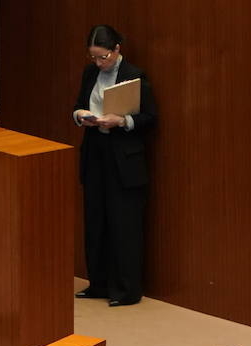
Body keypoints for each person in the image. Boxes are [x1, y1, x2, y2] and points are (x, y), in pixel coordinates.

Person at [72, 24, 157, 308]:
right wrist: (81, 114)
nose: (99, 63)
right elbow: (79, 105)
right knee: (96, 220)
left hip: (122, 155)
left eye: (103, 57)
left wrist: (121, 121)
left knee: (124, 224)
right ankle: (98, 283)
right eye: (94, 57)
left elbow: (149, 117)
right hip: (95, 150)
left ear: (117, 49)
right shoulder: (89, 74)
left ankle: (126, 289)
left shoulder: (135, 76)